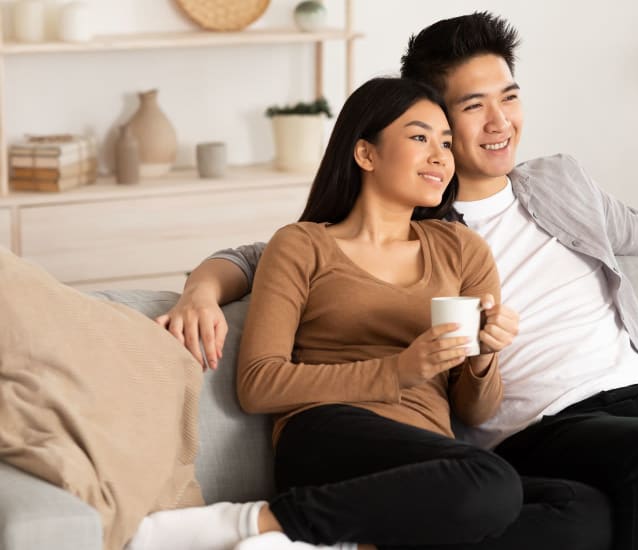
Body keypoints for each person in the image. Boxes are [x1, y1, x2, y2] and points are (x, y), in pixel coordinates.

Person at [158, 12, 638, 550]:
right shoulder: (421, 222)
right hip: (541, 429)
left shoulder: (557, 183)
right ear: (426, 120)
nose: (499, 121)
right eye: (470, 108)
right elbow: (274, 254)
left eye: (508, 96)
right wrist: (199, 287)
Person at [128, 77, 612, 550]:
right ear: (366, 153)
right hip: (326, 434)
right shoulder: (302, 244)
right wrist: (397, 371)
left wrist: (484, 357)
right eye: (420, 138)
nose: (440, 156)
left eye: (445, 142)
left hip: (431, 459)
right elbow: (259, 384)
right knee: (490, 481)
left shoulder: (463, 249)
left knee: (583, 509)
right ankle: (257, 523)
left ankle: (347, 540)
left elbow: (474, 410)